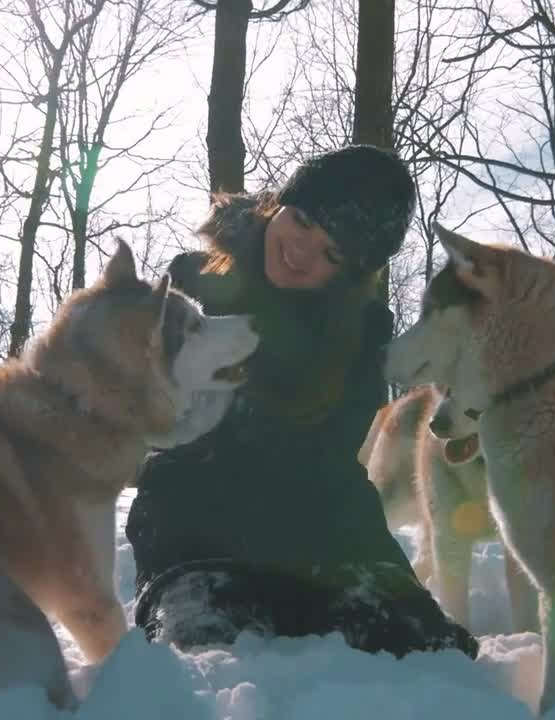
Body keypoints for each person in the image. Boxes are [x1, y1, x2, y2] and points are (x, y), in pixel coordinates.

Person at [125, 145, 480, 660]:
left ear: (351, 272)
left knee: (426, 657)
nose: (302, 250)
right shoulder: (192, 294)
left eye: (333, 254)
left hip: (320, 530)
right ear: (280, 204)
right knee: (206, 655)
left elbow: (326, 460)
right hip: (192, 521)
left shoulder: (361, 335)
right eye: (304, 220)